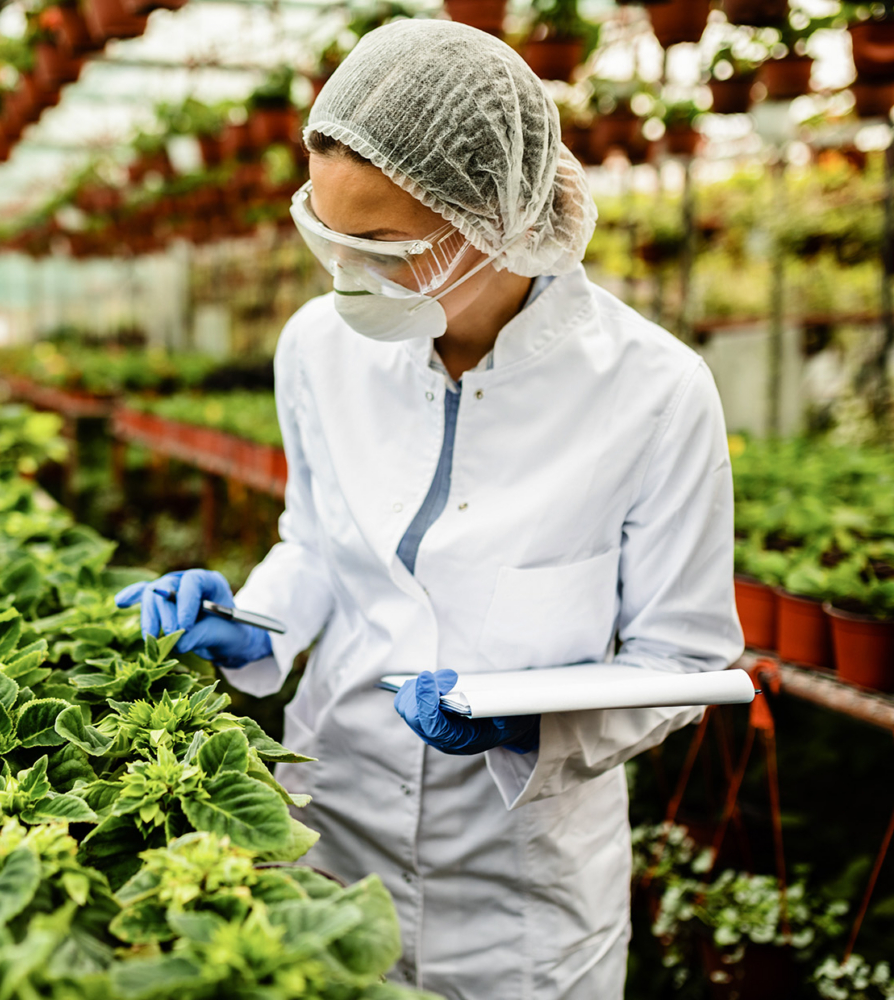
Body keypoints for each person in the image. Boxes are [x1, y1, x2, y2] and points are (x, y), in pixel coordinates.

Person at [116, 18, 743, 1000]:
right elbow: (317, 545)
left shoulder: (654, 391)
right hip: (334, 826)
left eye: (381, 246)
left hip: (522, 889)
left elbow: (683, 660)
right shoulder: (318, 348)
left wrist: (524, 729)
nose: (346, 277)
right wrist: (248, 623)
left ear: (491, 215)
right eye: (327, 237)